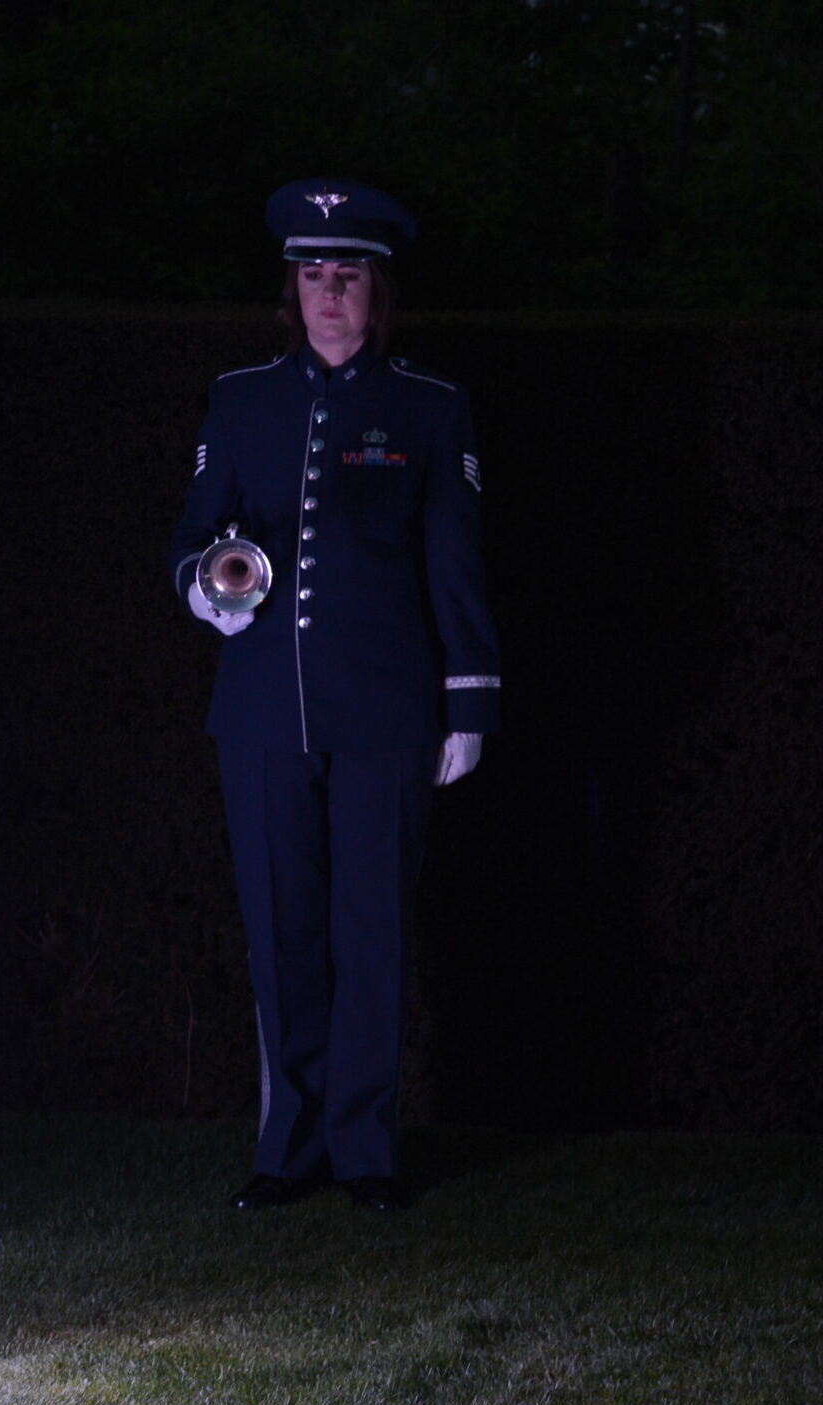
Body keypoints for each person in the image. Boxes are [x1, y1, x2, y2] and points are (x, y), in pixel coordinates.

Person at [168, 179, 500, 1213]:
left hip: (388, 711)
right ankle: (287, 1148)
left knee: (371, 932)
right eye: (312, 275)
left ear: (376, 289)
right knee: (281, 933)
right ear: (291, 288)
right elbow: (193, 537)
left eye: (347, 275)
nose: (328, 295)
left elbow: (456, 564)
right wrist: (207, 590)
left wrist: (470, 700)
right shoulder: (240, 399)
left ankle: (365, 1152)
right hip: (264, 708)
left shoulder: (430, 409)